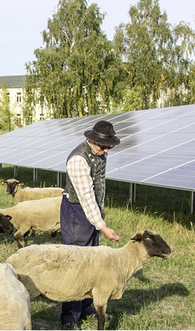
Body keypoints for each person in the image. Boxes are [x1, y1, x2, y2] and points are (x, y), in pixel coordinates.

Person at [60, 120, 121, 330]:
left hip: (91, 210)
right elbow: (85, 196)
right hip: (76, 211)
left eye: (108, 146)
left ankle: (87, 308)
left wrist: (101, 208)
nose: (105, 150)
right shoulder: (78, 160)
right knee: (75, 263)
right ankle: (69, 317)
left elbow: (100, 181)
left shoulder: (101, 153)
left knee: (91, 262)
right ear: (91, 140)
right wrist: (102, 226)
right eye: (101, 146)